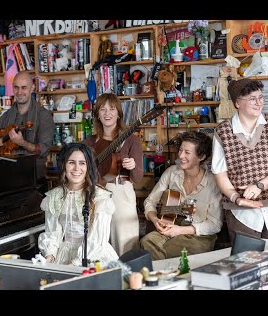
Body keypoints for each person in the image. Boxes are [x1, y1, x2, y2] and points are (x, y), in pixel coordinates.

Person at [140, 131, 223, 260]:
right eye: (180, 150)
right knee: (147, 241)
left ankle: (162, 276)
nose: (181, 155)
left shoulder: (213, 182)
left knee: (173, 250)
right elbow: (150, 201)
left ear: (201, 157)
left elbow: (215, 224)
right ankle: (163, 276)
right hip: (170, 224)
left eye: (187, 152)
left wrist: (180, 230)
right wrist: (155, 220)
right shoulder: (171, 172)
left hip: (198, 235)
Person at [38, 142, 118, 266]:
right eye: (71, 162)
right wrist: (50, 255)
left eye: (82, 163)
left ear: (88, 167)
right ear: (64, 165)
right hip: (64, 253)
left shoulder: (100, 197)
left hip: (93, 255)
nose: (76, 168)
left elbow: (97, 241)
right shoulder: (54, 197)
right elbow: (53, 233)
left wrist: (75, 264)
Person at [82, 93, 143, 256]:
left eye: (112, 109)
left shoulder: (131, 140)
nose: (107, 113)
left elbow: (138, 178)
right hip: (94, 193)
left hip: (120, 191)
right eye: (102, 109)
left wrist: (133, 166)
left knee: (125, 243)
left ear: (118, 114)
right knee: (96, 243)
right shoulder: (88, 142)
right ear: (97, 114)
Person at [0, 70, 55, 194]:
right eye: (16, 87)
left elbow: (43, 149)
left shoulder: (44, 116)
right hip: (6, 179)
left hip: (33, 180)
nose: (19, 92)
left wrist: (22, 142)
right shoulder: (5, 116)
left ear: (32, 88)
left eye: (24, 88)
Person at [212, 78, 268, 242]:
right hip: (240, 213)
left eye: (261, 97)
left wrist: (260, 185)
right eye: (252, 99)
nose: (259, 103)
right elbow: (220, 174)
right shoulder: (223, 132)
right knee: (245, 262)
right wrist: (236, 198)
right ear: (238, 103)